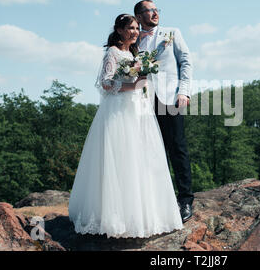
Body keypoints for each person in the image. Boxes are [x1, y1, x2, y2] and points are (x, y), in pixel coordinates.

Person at [68, 14, 183, 238]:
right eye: (130, 28)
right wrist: (131, 85)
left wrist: (141, 81)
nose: (134, 32)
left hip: (138, 110)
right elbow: (105, 82)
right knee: (120, 159)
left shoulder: (134, 53)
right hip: (118, 111)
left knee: (141, 159)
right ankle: (115, 218)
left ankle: (143, 215)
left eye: (136, 28)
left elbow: (140, 82)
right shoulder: (113, 52)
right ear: (119, 31)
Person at [134, 0, 194, 222]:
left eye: (156, 9)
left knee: (177, 148)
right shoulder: (133, 39)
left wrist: (184, 91)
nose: (155, 13)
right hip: (143, 101)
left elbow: (186, 62)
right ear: (138, 17)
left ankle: (185, 199)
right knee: (151, 150)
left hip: (171, 97)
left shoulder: (172, 33)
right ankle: (160, 200)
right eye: (149, 11)